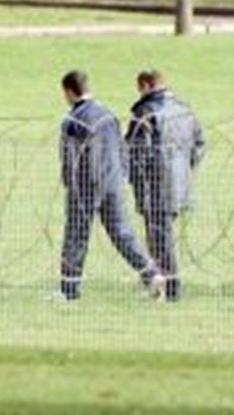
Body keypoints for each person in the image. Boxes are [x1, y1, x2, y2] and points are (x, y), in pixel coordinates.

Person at [56, 69, 163, 302]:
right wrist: (121, 176)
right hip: (112, 182)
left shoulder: (72, 119)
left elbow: (69, 156)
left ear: (69, 91)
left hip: (84, 183)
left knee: (75, 236)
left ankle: (69, 290)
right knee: (122, 233)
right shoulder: (109, 115)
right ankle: (151, 274)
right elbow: (122, 148)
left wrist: (69, 183)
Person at [125, 69, 206, 302]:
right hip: (179, 183)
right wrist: (183, 169)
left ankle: (169, 287)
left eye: (140, 87)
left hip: (155, 184)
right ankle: (163, 283)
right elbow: (199, 145)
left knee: (160, 237)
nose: (138, 92)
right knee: (163, 235)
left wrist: (135, 178)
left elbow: (136, 151)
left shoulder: (146, 112)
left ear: (148, 84)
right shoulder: (184, 109)